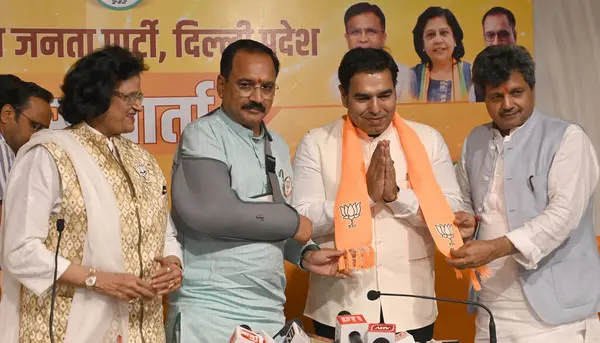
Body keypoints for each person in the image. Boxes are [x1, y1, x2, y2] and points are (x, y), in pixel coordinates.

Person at [166, 39, 350, 343]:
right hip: (210, 313)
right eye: (246, 85)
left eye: (267, 88)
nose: (257, 97)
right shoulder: (202, 134)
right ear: (221, 85)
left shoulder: (276, 142)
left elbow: (266, 222)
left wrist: (304, 254)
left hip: (268, 315)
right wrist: (294, 223)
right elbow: (216, 214)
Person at [0, 46, 183, 343]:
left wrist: (173, 264)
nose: (138, 107)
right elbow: (20, 251)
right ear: (97, 95)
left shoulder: (142, 161)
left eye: (139, 97)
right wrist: (97, 279)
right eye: (129, 97)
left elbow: (164, 232)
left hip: (142, 329)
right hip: (67, 327)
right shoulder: (49, 155)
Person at [293, 47, 464, 343]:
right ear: (344, 95)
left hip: (412, 305)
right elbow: (301, 220)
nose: (375, 108)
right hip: (339, 305)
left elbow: (451, 214)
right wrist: (366, 199)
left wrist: (397, 197)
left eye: (385, 95)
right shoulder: (317, 143)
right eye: (362, 98)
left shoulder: (428, 140)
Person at [449, 45, 600, 342]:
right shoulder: (475, 141)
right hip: (490, 309)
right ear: (483, 97)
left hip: (556, 318)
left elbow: (562, 216)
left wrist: (496, 247)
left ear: (532, 89)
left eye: (516, 93)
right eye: (496, 96)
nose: (507, 104)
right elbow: (465, 200)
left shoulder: (567, 139)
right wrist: (465, 223)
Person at [328, 2, 414, 103]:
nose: (363, 39)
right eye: (355, 32)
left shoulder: (406, 76)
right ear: (347, 38)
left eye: (371, 31)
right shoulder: (333, 82)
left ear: (383, 37)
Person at [0, 75, 53, 202]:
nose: (39, 136)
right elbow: (4, 217)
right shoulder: (2, 150)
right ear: (7, 114)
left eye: (44, 130)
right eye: (35, 126)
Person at [411, 6, 472, 103]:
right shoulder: (410, 78)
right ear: (422, 43)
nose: (438, 40)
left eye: (444, 33)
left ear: (455, 39)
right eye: (430, 35)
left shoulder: (472, 74)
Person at [470, 7, 518, 102]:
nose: (496, 42)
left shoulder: (530, 74)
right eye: (490, 35)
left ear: (514, 37)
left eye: (503, 34)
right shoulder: (475, 84)